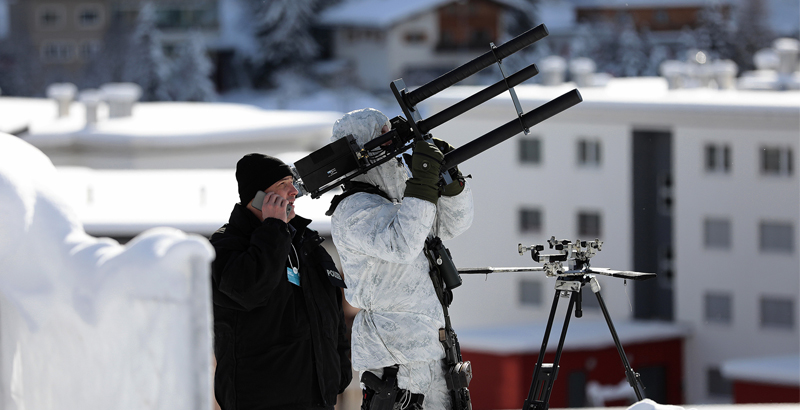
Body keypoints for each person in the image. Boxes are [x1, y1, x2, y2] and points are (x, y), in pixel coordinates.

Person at [326, 108, 474, 410]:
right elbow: (402, 243)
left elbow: (450, 225)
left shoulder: (397, 203)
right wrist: (421, 185)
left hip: (432, 350)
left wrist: (449, 181)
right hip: (394, 360)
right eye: (382, 135)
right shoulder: (353, 210)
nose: (392, 144)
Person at [210, 153, 352, 410]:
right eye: (282, 185)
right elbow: (249, 291)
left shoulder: (305, 242)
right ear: (259, 196)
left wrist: (339, 373)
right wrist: (273, 227)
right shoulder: (226, 246)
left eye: (292, 183)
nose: (294, 191)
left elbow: (333, 314)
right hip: (262, 399)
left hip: (319, 398)